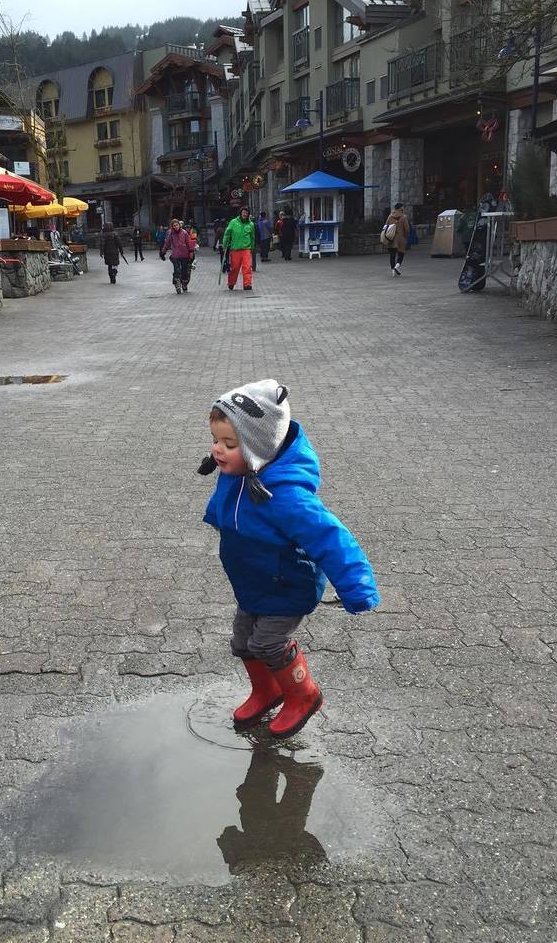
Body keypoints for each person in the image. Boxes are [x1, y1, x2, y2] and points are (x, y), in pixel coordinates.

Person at [199, 379, 379, 739]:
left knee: (267, 643)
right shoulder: (241, 473)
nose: (218, 450)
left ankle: (303, 695)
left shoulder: (286, 497)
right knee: (241, 642)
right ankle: (268, 691)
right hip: (254, 583)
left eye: (229, 444)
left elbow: (331, 538)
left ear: (258, 447)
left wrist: (357, 588)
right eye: (216, 440)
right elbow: (231, 510)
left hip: (285, 585)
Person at [222, 207, 256, 291]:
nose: (245, 214)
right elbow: (227, 234)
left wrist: (252, 247)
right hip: (235, 249)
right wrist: (224, 245)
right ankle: (231, 283)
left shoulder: (251, 224)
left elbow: (252, 237)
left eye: (246, 213)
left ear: (248, 214)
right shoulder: (233, 222)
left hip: (246, 249)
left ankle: (247, 284)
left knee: (247, 267)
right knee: (234, 268)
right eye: (243, 212)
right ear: (240, 213)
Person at [160, 217, 195, 294]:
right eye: (174, 225)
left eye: (177, 225)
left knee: (185, 272)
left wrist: (191, 252)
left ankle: (184, 284)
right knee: (177, 271)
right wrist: (163, 252)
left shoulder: (184, 233)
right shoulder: (171, 234)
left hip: (184, 255)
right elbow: (167, 244)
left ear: (179, 225)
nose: (176, 227)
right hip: (175, 255)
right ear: (172, 226)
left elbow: (188, 243)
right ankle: (177, 285)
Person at [383, 202, 410, 276]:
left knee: (392, 255)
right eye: (403, 207)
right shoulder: (404, 217)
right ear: (401, 208)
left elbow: (386, 226)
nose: (404, 208)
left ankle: (393, 271)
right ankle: (397, 266)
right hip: (401, 239)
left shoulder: (390, 216)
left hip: (391, 238)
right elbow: (407, 229)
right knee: (401, 254)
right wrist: (406, 237)